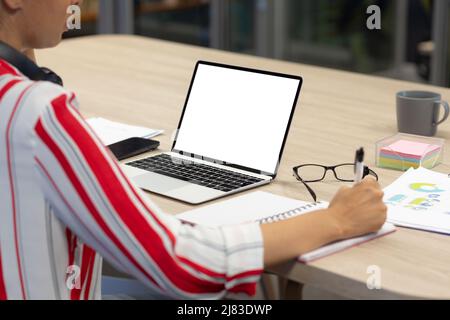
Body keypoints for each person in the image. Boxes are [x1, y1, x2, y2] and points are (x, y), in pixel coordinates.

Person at [0, 0, 387, 300]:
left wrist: (23, 44)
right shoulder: (39, 113)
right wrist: (337, 219)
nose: (77, 3)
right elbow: (177, 262)